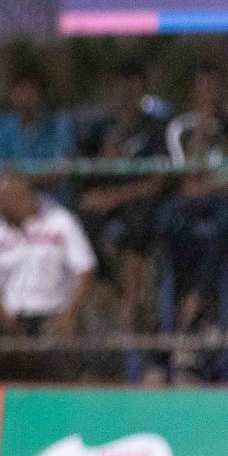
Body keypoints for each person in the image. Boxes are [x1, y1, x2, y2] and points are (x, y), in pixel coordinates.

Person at [75, 59, 169, 347]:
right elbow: (83, 176)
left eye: (132, 87)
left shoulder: (155, 129)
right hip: (105, 202)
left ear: (142, 89)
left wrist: (113, 197)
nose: (125, 94)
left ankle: (131, 303)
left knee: (138, 219)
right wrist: (103, 163)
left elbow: (157, 182)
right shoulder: (100, 129)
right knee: (81, 217)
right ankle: (105, 291)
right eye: (120, 87)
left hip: (139, 200)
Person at [157, 62, 228, 331]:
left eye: (215, 87)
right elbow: (186, 178)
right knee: (168, 218)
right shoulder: (181, 127)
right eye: (203, 88)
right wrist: (203, 127)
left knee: (220, 226)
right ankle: (183, 297)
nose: (209, 94)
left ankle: (197, 300)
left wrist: (215, 186)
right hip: (193, 202)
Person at [0, 174, 95, 380]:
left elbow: (85, 270)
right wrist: (7, 320)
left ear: (21, 197)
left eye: (1, 200)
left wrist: (70, 311)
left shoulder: (61, 221)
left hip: (56, 311)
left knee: (67, 340)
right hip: (12, 317)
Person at [0, 65, 74, 200]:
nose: (26, 96)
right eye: (21, 89)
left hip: (50, 200)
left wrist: (19, 177)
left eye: (31, 90)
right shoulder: (4, 126)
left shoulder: (59, 124)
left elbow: (58, 172)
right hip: (11, 199)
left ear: (42, 94)